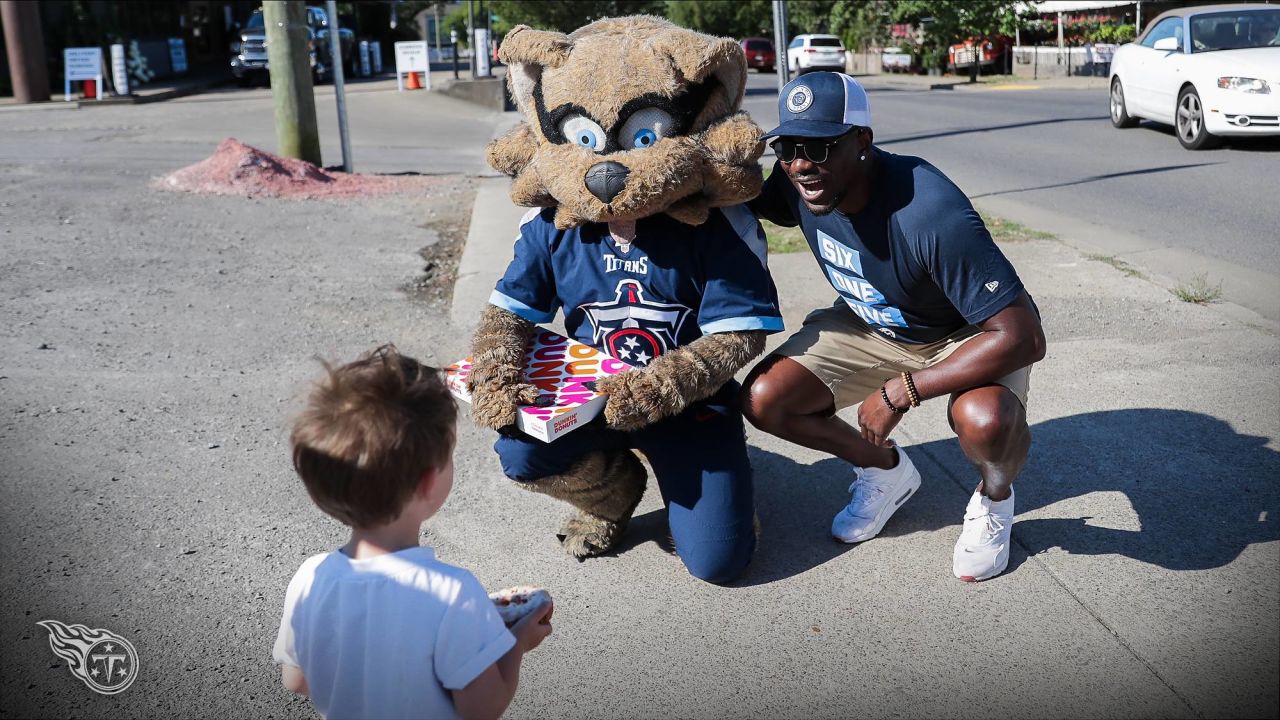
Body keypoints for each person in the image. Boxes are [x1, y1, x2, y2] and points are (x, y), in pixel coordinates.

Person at [743, 73, 1046, 582]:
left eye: (819, 146)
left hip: (961, 335)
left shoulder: (928, 211)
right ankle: (885, 472)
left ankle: (995, 501)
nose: (799, 163)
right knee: (764, 399)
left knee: (986, 420)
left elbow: (1022, 335)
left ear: (862, 141)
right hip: (873, 322)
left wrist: (903, 390)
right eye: (788, 146)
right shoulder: (799, 182)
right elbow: (737, 193)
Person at [273, 345, 553, 719]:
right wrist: (515, 643)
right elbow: (481, 709)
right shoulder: (453, 594)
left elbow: (297, 681)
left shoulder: (310, 576)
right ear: (426, 483)